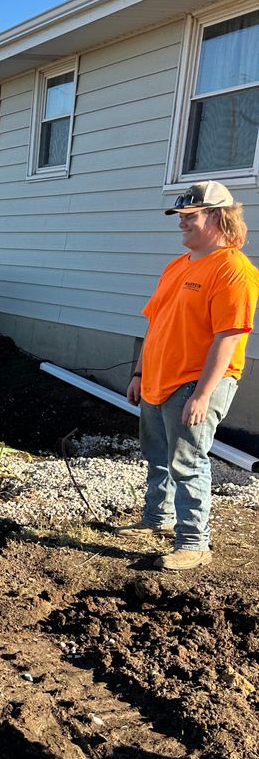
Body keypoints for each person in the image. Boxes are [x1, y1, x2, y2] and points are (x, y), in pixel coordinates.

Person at [121, 181, 258, 570]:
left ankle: (194, 543)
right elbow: (157, 323)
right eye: (180, 217)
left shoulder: (234, 271)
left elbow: (229, 337)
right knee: (157, 455)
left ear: (218, 217)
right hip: (158, 378)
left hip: (195, 382)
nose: (181, 223)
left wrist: (202, 394)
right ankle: (156, 519)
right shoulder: (178, 266)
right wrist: (139, 372)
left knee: (188, 460)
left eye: (190, 216)